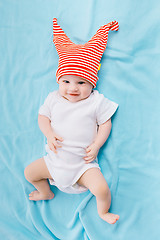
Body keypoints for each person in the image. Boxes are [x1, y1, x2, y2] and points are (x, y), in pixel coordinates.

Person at [24, 18, 120, 224]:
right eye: (66, 81)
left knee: (102, 189)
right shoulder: (53, 98)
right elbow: (43, 118)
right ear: (58, 80)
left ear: (92, 83)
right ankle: (45, 192)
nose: (72, 88)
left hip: (83, 166)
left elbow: (105, 123)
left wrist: (96, 145)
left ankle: (103, 212)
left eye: (81, 82)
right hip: (54, 162)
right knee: (30, 173)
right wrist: (49, 135)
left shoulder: (96, 101)